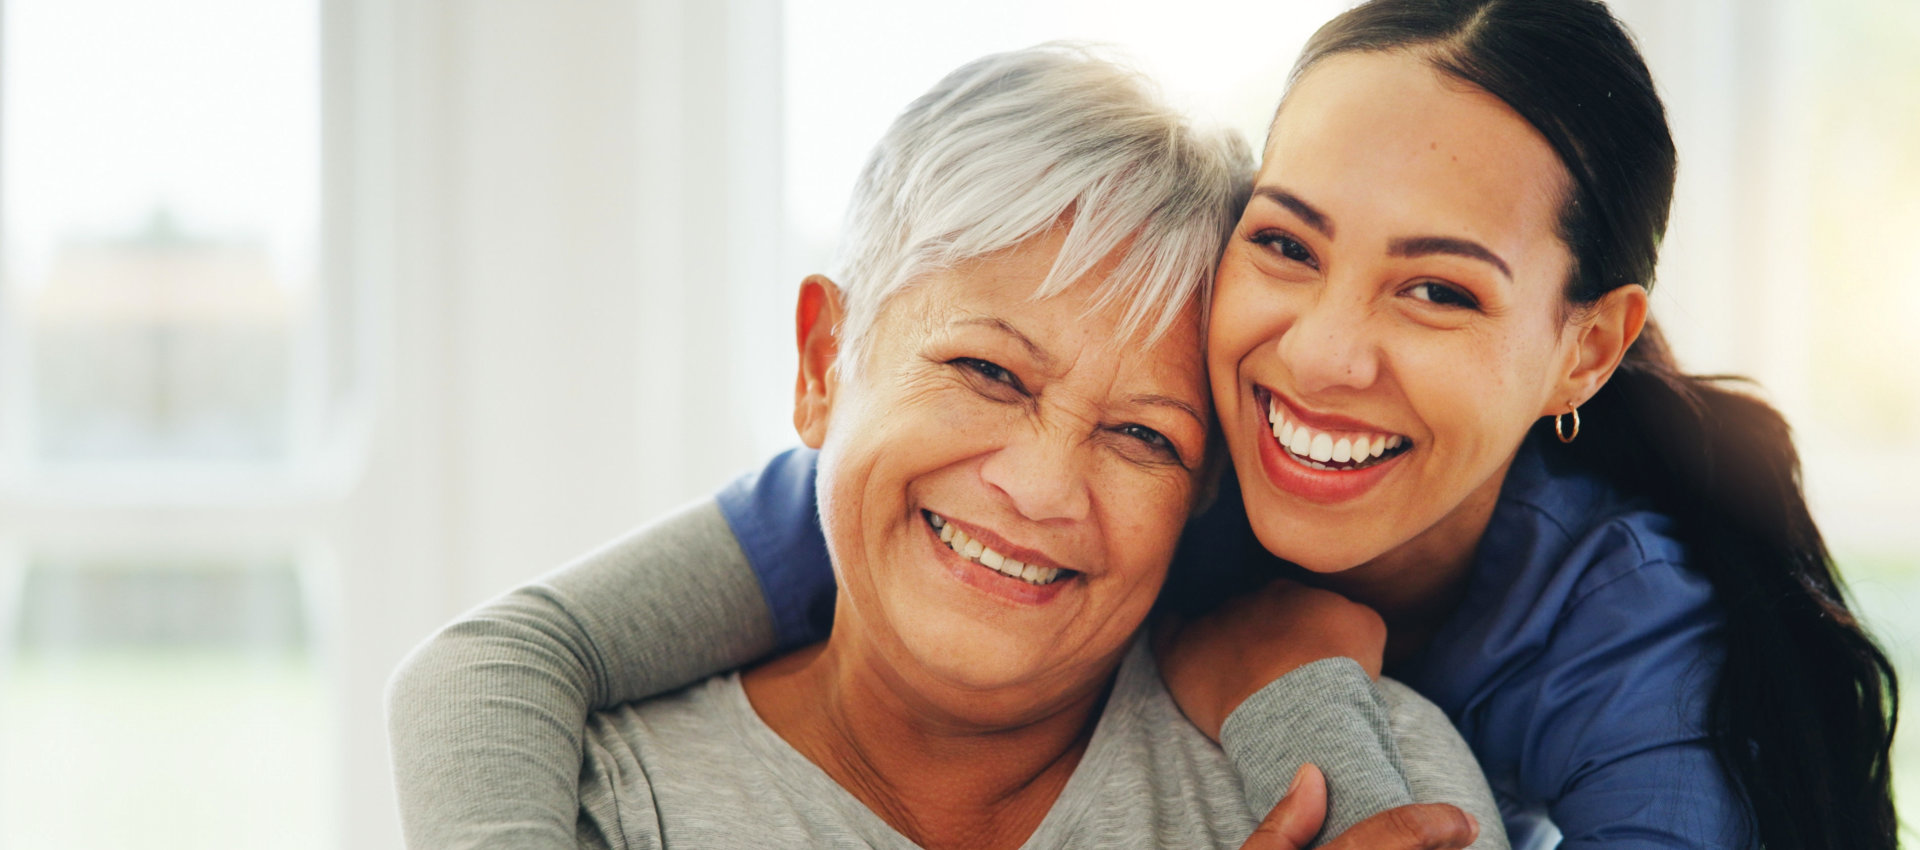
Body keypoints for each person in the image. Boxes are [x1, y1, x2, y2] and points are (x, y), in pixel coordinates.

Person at [390, 1, 1899, 848]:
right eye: (1291, 242)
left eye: (1437, 290)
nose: (1321, 353)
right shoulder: (1051, 479)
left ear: (1585, 344)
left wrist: (1304, 708)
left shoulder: (1634, 648)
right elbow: (502, 661)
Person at [393, 45, 1502, 850]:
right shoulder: (585, 798)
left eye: (1139, 436)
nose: (1039, 487)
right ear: (825, 363)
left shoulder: (1376, 783)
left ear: (1204, 486)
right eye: (988, 372)